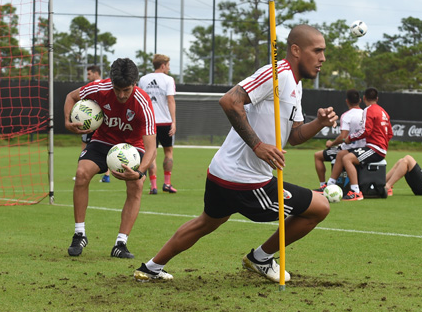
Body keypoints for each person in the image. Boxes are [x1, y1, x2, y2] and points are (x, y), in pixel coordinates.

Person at [133, 24, 338, 283]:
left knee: (207, 222)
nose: (323, 58)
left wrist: (319, 122)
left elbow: (294, 136)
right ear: (296, 50)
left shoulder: (294, 86)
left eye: (324, 51)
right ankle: (261, 258)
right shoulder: (277, 73)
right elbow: (230, 100)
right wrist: (257, 145)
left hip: (222, 172)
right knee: (320, 206)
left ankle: (150, 267)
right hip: (246, 181)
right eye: (317, 50)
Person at [64, 58, 156, 258]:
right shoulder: (99, 88)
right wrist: (67, 120)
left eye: (127, 90)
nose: (122, 95)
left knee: (137, 185)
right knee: (81, 174)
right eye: (117, 90)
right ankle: (79, 234)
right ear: (111, 83)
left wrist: (139, 172)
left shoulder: (143, 103)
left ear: (135, 84)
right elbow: (71, 97)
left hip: (132, 147)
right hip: (103, 141)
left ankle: (120, 244)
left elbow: (151, 148)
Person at [326, 87, 393, 201]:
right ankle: (329, 185)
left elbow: (366, 131)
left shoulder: (368, 110)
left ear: (364, 98)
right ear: (377, 98)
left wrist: (350, 138)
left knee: (347, 159)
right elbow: (390, 133)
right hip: (377, 148)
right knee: (342, 154)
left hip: (375, 149)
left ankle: (356, 192)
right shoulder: (383, 111)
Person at [138, 54, 177, 194]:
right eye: (168, 65)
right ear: (163, 65)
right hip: (165, 122)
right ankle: (167, 184)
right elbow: (171, 100)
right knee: (169, 152)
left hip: (149, 122)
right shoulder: (168, 79)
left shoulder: (143, 79)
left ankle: (153, 186)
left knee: (151, 153)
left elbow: (139, 100)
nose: (169, 68)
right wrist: (173, 122)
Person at [313, 89, 365, 192]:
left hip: (350, 150)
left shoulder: (347, 115)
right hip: (364, 149)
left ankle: (324, 186)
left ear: (347, 101)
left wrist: (331, 144)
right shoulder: (365, 113)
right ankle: (331, 183)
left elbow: (343, 137)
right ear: (360, 100)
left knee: (318, 156)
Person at [76, 65, 112, 183]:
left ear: (96, 73)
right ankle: (107, 175)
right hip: (103, 123)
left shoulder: (94, 86)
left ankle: (82, 170)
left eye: (89, 74)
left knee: (86, 144)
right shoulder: (106, 85)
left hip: (92, 122)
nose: (87, 76)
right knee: (105, 147)